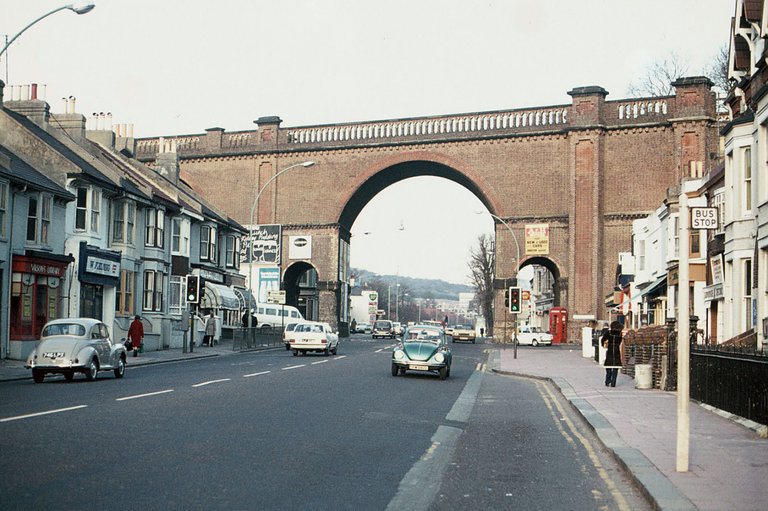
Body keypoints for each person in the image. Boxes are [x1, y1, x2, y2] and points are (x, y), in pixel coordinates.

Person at [601, 320, 624, 387]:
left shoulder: (609, 332)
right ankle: (613, 383)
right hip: (616, 351)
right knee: (615, 368)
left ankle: (607, 381)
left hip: (610, 350)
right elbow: (620, 341)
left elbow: (603, 339)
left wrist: (603, 345)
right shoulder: (620, 333)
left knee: (608, 367)